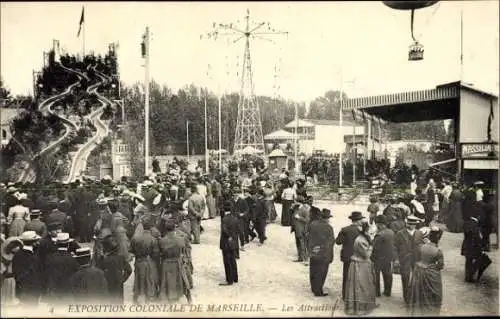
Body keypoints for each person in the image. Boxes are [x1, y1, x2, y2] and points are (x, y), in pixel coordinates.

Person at [344, 220, 378, 315]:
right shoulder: (361, 240)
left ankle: (361, 306)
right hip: (360, 265)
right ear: (365, 231)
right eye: (370, 232)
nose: (371, 234)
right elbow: (366, 255)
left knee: (363, 285)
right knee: (361, 285)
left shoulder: (362, 238)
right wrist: (371, 246)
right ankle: (359, 308)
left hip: (361, 264)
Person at [409, 227, 444, 316]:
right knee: (432, 294)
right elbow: (440, 266)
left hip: (419, 272)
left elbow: (416, 259)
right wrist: (431, 266)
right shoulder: (438, 251)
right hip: (431, 274)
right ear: (438, 238)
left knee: (419, 292)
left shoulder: (421, 247)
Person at [394, 215, 425, 306]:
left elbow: (421, 246)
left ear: (415, 225)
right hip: (404, 258)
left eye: (413, 224)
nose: (411, 226)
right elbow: (395, 247)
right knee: (405, 277)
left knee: (416, 278)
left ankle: (414, 297)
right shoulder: (400, 233)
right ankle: (406, 298)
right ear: (406, 223)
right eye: (410, 224)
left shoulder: (419, 233)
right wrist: (396, 259)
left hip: (416, 259)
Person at [159, 218, 190, 303]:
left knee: (167, 279)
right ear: (174, 227)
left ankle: (168, 295)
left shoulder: (162, 241)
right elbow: (183, 249)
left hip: (166, 262)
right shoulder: (180, 239)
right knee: (180, 279)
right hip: (177, 261)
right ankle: (183, 295)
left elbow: (160, 252)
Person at [130, 217, 160, 304]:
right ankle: (148, 298)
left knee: (138, 279)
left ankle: (136, 297)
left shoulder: (135, 238)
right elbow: (155, 254)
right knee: (148, 279)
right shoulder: (153, 239)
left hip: (138, 261)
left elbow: (130, 250)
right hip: (148, 261)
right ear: (150, 227)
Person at [44, 233, 80, 304]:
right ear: (68, 244)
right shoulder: (72, 259)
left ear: (57, 243)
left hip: (53, 292)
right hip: (67, 292)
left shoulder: (49, 257)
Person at [335, 211, 363, 300]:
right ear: (358, 221)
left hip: (347, 257)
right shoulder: (362, 231)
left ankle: (345, 295)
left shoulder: (345, 229)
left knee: (346, 276)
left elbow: (338, 242)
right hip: (359, 257)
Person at [99, 232, 132, 304]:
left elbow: (99, 272)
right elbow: (129, 270)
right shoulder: (120, 257)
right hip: (119, 285)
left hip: (108, 287)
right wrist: (122, 279)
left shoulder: (104, 260)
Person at [308, 208, 334, 297]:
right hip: (323, 253)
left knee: (313, 270)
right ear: (327, 218)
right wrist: (330, 255)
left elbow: (309, 237)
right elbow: (330, 242)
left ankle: (313, 287)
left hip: (313, 251)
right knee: (321, 272)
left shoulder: (312, 224)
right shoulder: (329, 227)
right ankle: (318, 291)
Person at [12, 231, 43, 305]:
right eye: (36, 241)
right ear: (33, 242)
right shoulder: (32, 256)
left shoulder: (18, 254)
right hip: (30, 291)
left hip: (24, 291)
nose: (38, 242)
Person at [461, 216, 491, 283]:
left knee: (468, 261)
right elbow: (476, 237)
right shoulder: (475, 225)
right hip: (473, 246)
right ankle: (470, 276)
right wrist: (481, 248)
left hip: (466, 245)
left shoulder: (467, 223)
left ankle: (467, 277)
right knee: (479, 260)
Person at [371, 215, 395, 297]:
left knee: (376, 275)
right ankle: (388, 292)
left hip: (378, 258)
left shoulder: (379, 235)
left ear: (380, 224)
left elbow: (375, 248)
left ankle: (376, 292)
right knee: (388, 275)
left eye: (377, 224)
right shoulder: (391, 232)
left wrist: (372, 258)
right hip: (388, 257)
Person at [219, 200, 240, 286]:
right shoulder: (235, 218)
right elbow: (238, 230)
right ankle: (235, 278)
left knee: (227, 262)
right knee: (233, 260)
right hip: (234, 242)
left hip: (226, 242)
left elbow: (224, 230)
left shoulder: (224, 219)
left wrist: (229, 236)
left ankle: (229, 279)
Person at [1, 237, 23, 305]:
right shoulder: (4, 258)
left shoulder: (16, 256)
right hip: (6, 278)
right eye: (16, 246)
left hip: (13, 278)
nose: (17, 248)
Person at [292, 196, 310, 263]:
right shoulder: (296, 208)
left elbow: (307, 220)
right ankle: (300, 258)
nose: (294, 202)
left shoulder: (305, 209)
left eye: (295, 201)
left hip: (302, 230)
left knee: (303, 245)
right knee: (298, 244)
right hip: (297, 229)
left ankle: (306, 260)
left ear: (299, 202)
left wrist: (299, 218)